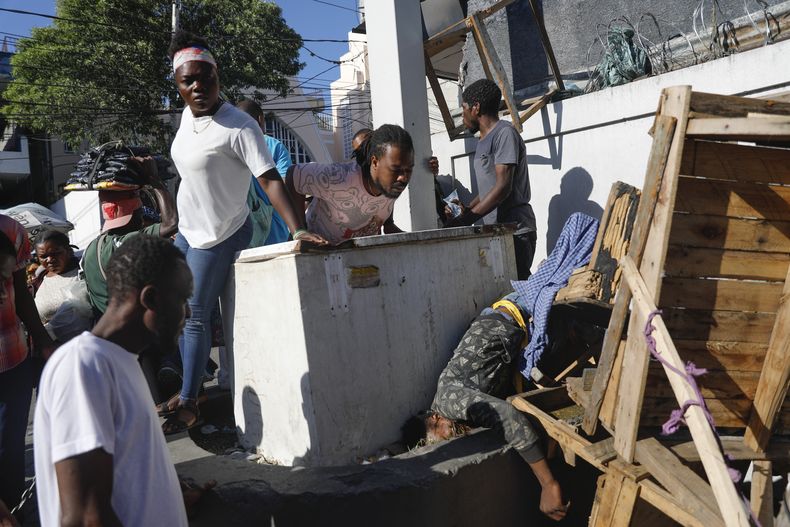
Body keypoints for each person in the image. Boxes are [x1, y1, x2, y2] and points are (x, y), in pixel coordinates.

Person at [167, 30, 326, 433]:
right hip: (188, 230)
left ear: (218, 75)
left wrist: (298, 229)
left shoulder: (239, 126)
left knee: (196, 315)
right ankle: (191, 387)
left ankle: (189, 402)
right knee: (175, 311)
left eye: (205, 77)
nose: (198, 87)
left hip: (220, 232)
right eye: (188, 81)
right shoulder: (187, 116)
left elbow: (271, 179)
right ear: (178, 85)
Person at [33, 235, 193, 527]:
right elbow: (86, 517)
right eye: (182, 299)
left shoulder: (120, 361)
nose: (189, 312)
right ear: (151, 299)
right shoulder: (84, 365)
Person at [403, 291, 567, 522]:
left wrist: (548, 484)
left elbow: (507, 417)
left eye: (441, 439)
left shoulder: (448, 401)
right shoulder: (458, 412)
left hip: (517, 310)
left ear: (434, 419)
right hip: (516, 327)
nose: (449, 440)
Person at [445, 78, 537, 279]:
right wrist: (467, 208)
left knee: (517, 287)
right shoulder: (483, 141)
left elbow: (503, 187)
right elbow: (490, 188)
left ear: (476, 108)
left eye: (464, 108)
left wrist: (467, 219)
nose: (462, 116)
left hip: (515, 231)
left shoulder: (504, 134)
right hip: (495, 231)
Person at [0, 215, 54, 516]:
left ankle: (14, 512)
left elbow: (21, 294)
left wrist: (44, 341)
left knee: (9, 448)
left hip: (12, 361)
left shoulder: (11, 230)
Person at [285, 124, 413, 245]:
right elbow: (293, 174)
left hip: (354, 253)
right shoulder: (339, 178)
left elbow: (387, 198)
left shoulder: (390, 183)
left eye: (408, 170)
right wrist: (299, 230)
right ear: (375, 162)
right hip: (315, 251)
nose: (403, 178)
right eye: (395, 169)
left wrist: (389, 224)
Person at [81, 157, 178, 316]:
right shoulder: (126, 243)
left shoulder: (92, 247)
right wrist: (154, 179)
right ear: (135, 213)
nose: (142, 219)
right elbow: (171, 223)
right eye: (140, 213)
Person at [236, 98, 293, 246]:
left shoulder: (230, 147)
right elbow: (285, 186)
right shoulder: (274, 146)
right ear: (261, 119)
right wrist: (297, 229)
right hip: (276, 234)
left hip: (239, 233)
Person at [32, 229, 92, 343]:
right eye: (43, 256)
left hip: (82, 345)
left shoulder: (84, 273)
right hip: (48, 349)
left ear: (68, 250)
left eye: (56, 253)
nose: (50, 260)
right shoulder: (38, 281)